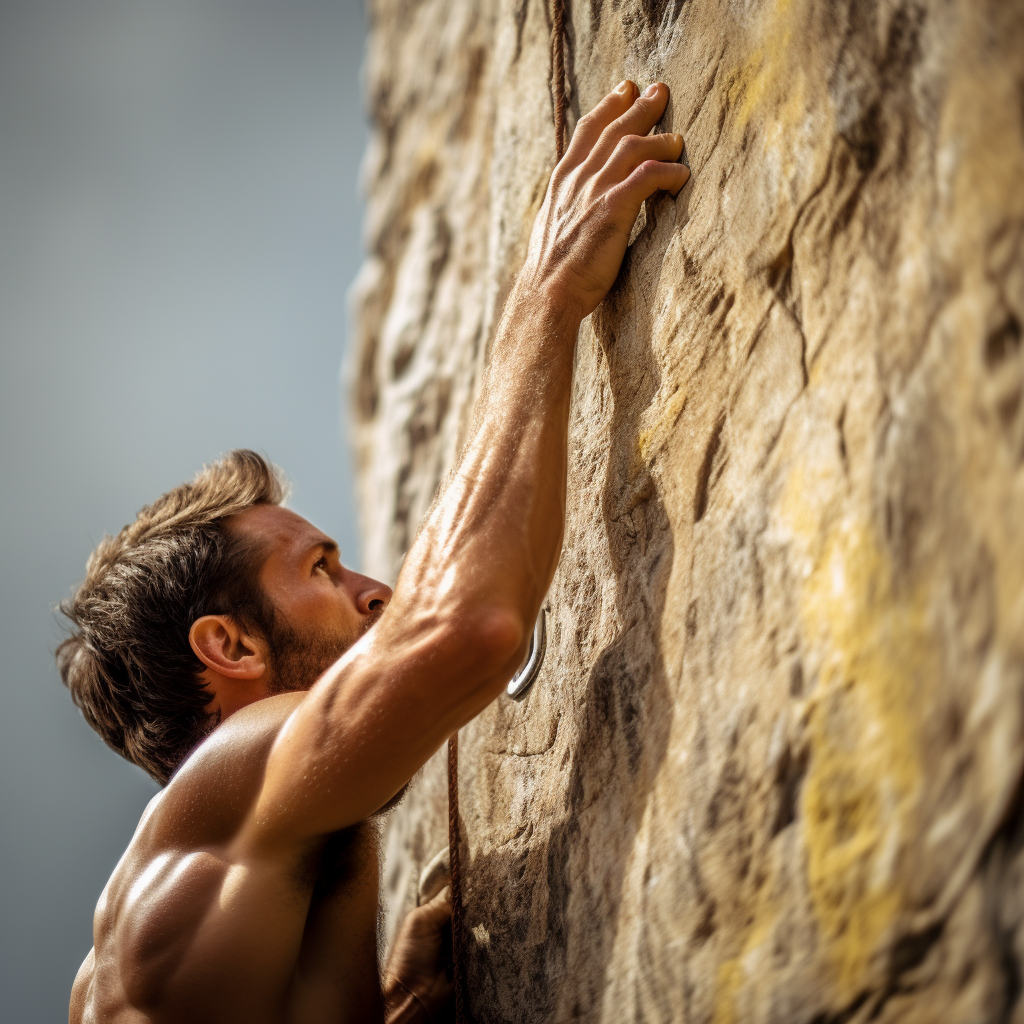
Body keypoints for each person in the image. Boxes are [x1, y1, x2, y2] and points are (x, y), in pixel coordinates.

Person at [60, 80, 689, 1024]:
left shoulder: (234, 881)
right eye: (320, 570)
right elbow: (465, 625)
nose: (376, 593)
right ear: (231, 648)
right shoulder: (242, 763)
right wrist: (547, 291)